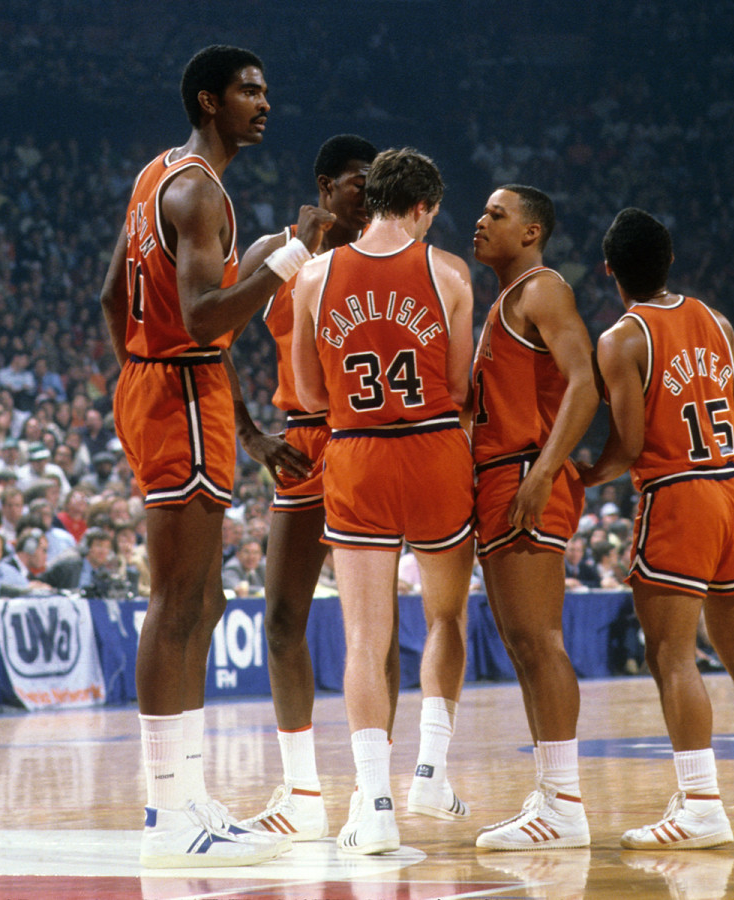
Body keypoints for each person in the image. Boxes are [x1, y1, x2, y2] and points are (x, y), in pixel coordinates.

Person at [98, 43, 333, 868]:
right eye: (248, 91)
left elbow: (113, 299)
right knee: (178, 602)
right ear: (208, 101)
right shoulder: (199, 191)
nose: (264, 102)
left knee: (207, 600)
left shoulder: (155, 177)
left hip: (169, 387)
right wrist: (289, 255)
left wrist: (146, 370)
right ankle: (168, 815)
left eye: (266, 89)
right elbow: (201, 318)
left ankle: (189, 797)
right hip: (181, 391)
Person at [579, 207, 734, 849]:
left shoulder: (621, 339)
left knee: (671, 655)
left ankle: (702, 806)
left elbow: (626, 447)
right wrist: (729, 474)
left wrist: (582, 477)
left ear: (609, 272)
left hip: (679, 497)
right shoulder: (716, 319)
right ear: (670, 260)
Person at [293, 147, 476, 855]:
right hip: (433, 450)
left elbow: (309, 396)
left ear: (369, 200)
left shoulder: (315, 276)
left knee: (364, 642)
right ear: (425, 207)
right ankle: (430, 770)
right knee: (445, 617)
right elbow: (459, 387)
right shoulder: (448, 272)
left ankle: (373, 807)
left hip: (357, 454)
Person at [225, 135, 402, 845]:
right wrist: (249, 435)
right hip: (300, 443)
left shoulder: (389, 252)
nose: (370, 196)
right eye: (360, 183)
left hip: (368, 444)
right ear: (327, 185)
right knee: (281, 620)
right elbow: (211, 338)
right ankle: (302, 793)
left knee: (376, 630)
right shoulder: (281, 249)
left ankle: (374, 792)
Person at [469, 185, 598, 851]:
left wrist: (544, 472)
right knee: (523, 644)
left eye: (496, 214)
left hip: (523, 473)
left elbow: (585, 380)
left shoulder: (542, 289)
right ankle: (552, 794)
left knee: (539, 640)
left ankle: (566, 805)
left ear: (531, 231)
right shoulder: (502, 303)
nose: (480, 220)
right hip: (503, 476)